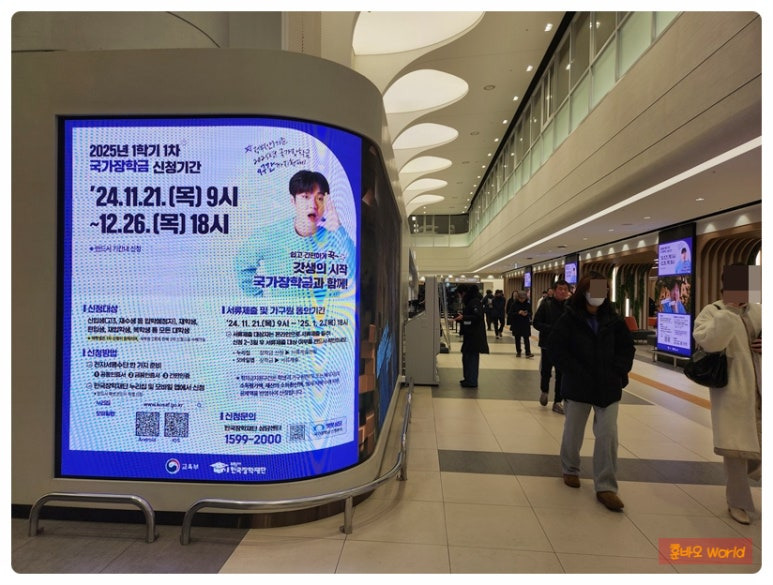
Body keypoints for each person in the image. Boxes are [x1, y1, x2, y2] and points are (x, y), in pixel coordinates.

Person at [547, 273, 635, 511]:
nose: (598, 295)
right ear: (583, 292)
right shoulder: (570, 318)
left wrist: (618, 370)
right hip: (578, 385)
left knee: (608, 435)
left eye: (602, 290)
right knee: (573, 431)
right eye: (593, 290)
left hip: (608, 385)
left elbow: (627, 349)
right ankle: (570, 468)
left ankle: (606, 486)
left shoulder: (614, 320)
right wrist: (573, 370)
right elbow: (556, 348)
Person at [692, 265, 761, 525]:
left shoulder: (759, 311)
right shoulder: (713, 312)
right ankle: (738, 503)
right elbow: (710, 343)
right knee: (735, 452)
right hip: (734, 393)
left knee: (756, 447)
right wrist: (728, 314)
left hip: (761, 391)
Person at [234, 170, 355, 298]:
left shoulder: (336, 236)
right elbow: (242, 266)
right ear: (293, 200)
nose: (313, 205)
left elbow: (354, 271)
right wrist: (261, 302)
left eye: (319, 198)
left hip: (329, 310)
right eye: (305, 197)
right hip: (285, 310)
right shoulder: (270, 234)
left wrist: (339, 229)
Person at [532, 279, 570, 414]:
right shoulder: (546, 305)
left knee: (561, 374)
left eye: (565, 289)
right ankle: (544, 390)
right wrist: (551, 328)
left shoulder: (570, 307)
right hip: (547, 344)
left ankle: (558, 401)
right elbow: (536, 323)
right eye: (560, 289)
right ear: (554, 291)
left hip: (564, 346)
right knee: (546, 371)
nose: (563, 292)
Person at [454, 284, 490, 387]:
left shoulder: (474, 302)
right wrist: (463, 318)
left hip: (474, 336)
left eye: (459, 295)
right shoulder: (471, 301)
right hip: (470, 334)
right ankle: (468, 378)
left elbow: (477, 317)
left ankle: (472, 381)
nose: (459, 297)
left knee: (471, 358)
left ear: (463, 293)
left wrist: (463, 317)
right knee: (467, 357)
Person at [507, 290, 534, 358]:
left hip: (525, 324)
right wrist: (518, 313)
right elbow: (510, 314)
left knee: (526, 338)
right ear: (518, 298)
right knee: (517, 338)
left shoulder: (528, 304)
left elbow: (531, 313)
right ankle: (518, 351)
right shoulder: (514, 304)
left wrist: (527, 313)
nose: (522, 300)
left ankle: (528, 352)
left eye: (523, 298)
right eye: (520, 298)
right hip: (517, 324)